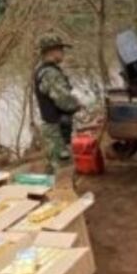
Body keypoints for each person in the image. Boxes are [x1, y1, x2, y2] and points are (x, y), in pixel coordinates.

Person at [34, 34, 80, 174]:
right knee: (63, 171)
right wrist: (77, 104)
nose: (63, 53)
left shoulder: (42, 69)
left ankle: (49, 194)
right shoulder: (51, 73)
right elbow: (64, 101)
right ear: (51, 51)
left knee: (52, 170)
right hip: (56, 130)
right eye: (60, 49)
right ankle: (61, 196)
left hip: (52, 128)